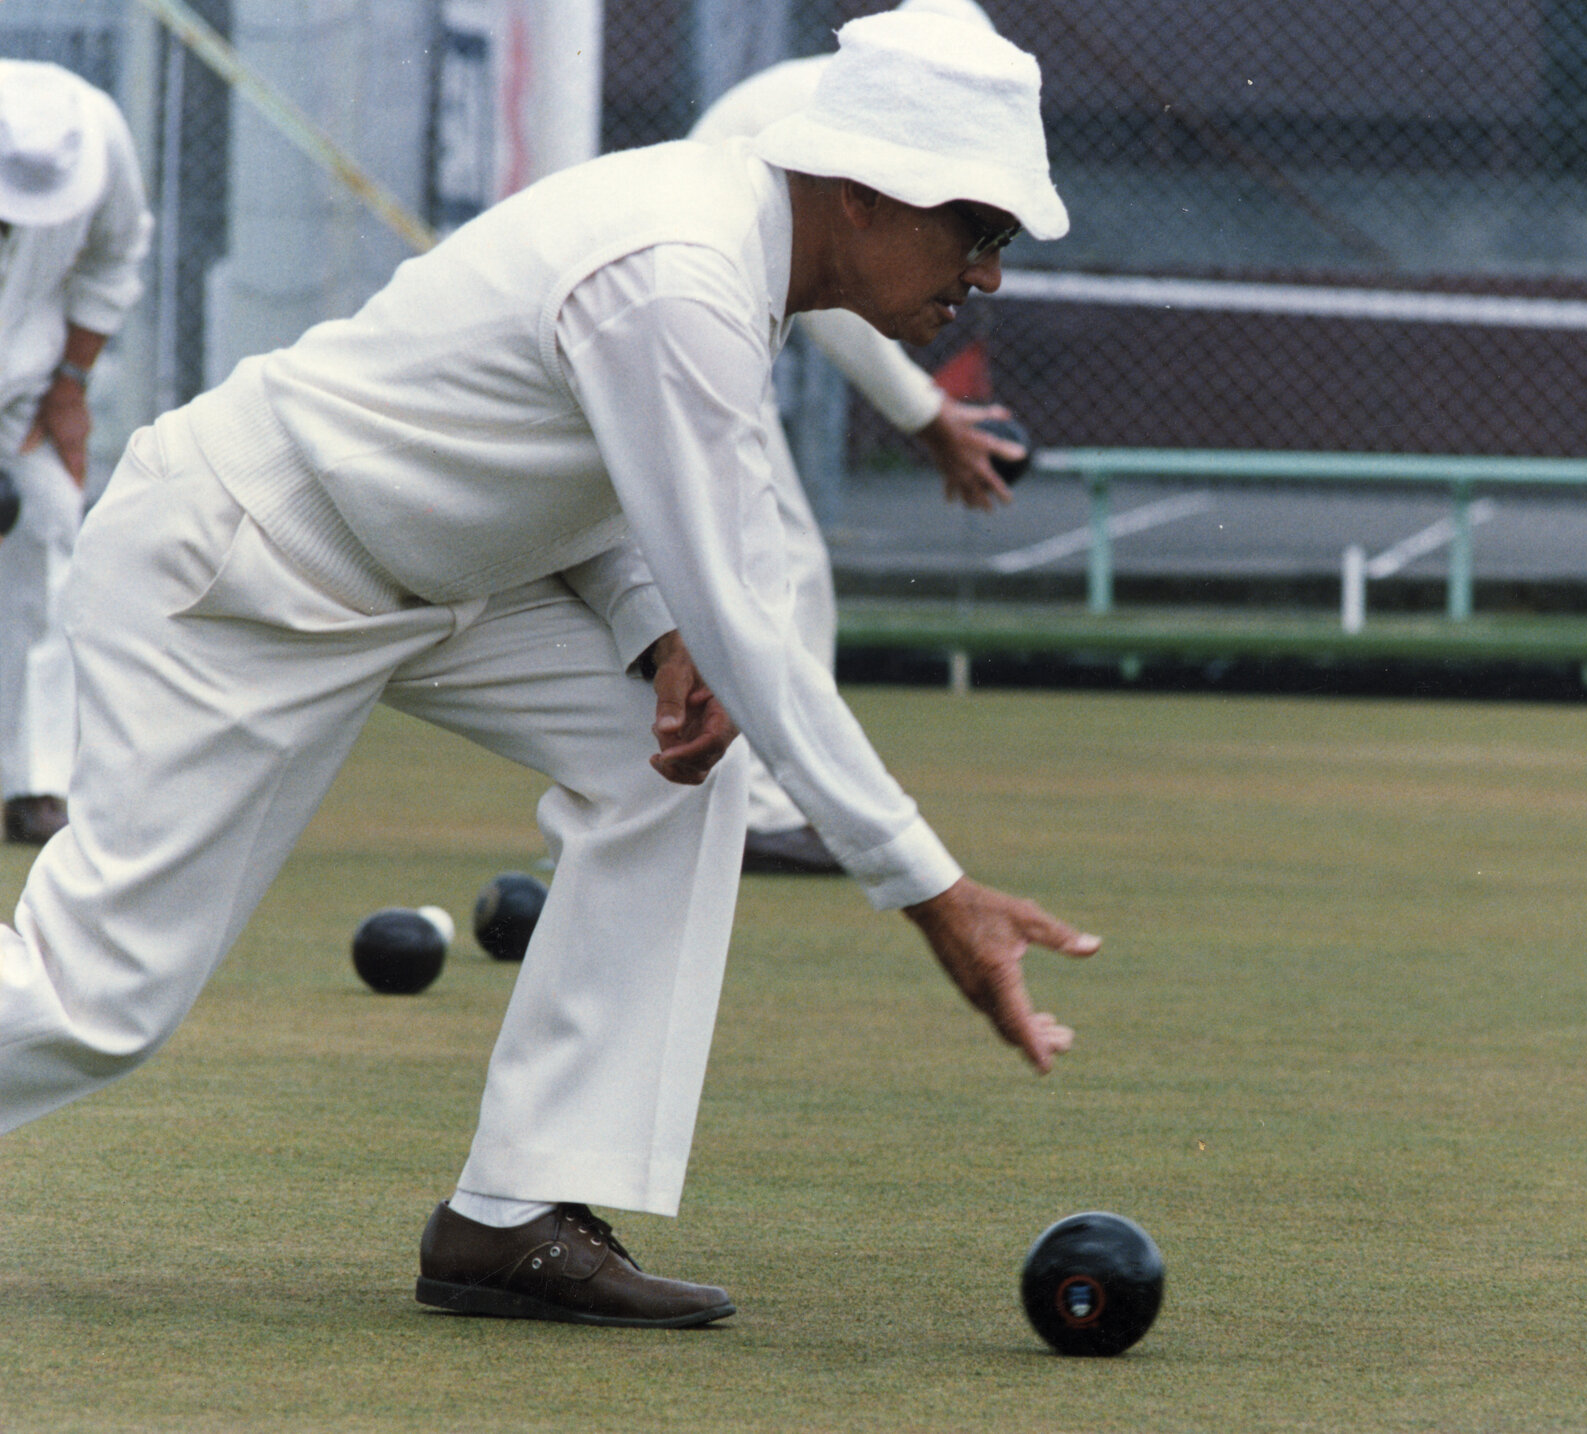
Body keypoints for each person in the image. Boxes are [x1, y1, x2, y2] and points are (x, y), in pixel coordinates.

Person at [0, 13, 1096, 1329]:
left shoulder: (734, 254)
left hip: (442, 575)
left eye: (1003, 242)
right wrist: (932, 887)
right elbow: (749, 626)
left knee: (670, 773)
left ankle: (514, 1212)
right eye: (974, 229)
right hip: (245, 569)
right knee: (98, 999)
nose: (985, 274)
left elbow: (578, 472)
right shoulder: (679, 273)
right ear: (861, 189)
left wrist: (659, 623)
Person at [690, 0, 1025, 877]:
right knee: (778, 560)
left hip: (711, 320)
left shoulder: (835, 99)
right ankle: (765, 811)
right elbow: (845, 308)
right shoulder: (856, 126)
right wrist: (924, 414)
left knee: (759, 559)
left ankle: (749, 801)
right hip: (698, 323)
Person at [0, 61, 152, 845]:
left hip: (22, 394)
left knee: (51, 530)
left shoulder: (98, 134)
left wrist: (70, 386)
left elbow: (114, 256)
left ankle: (35, 783)